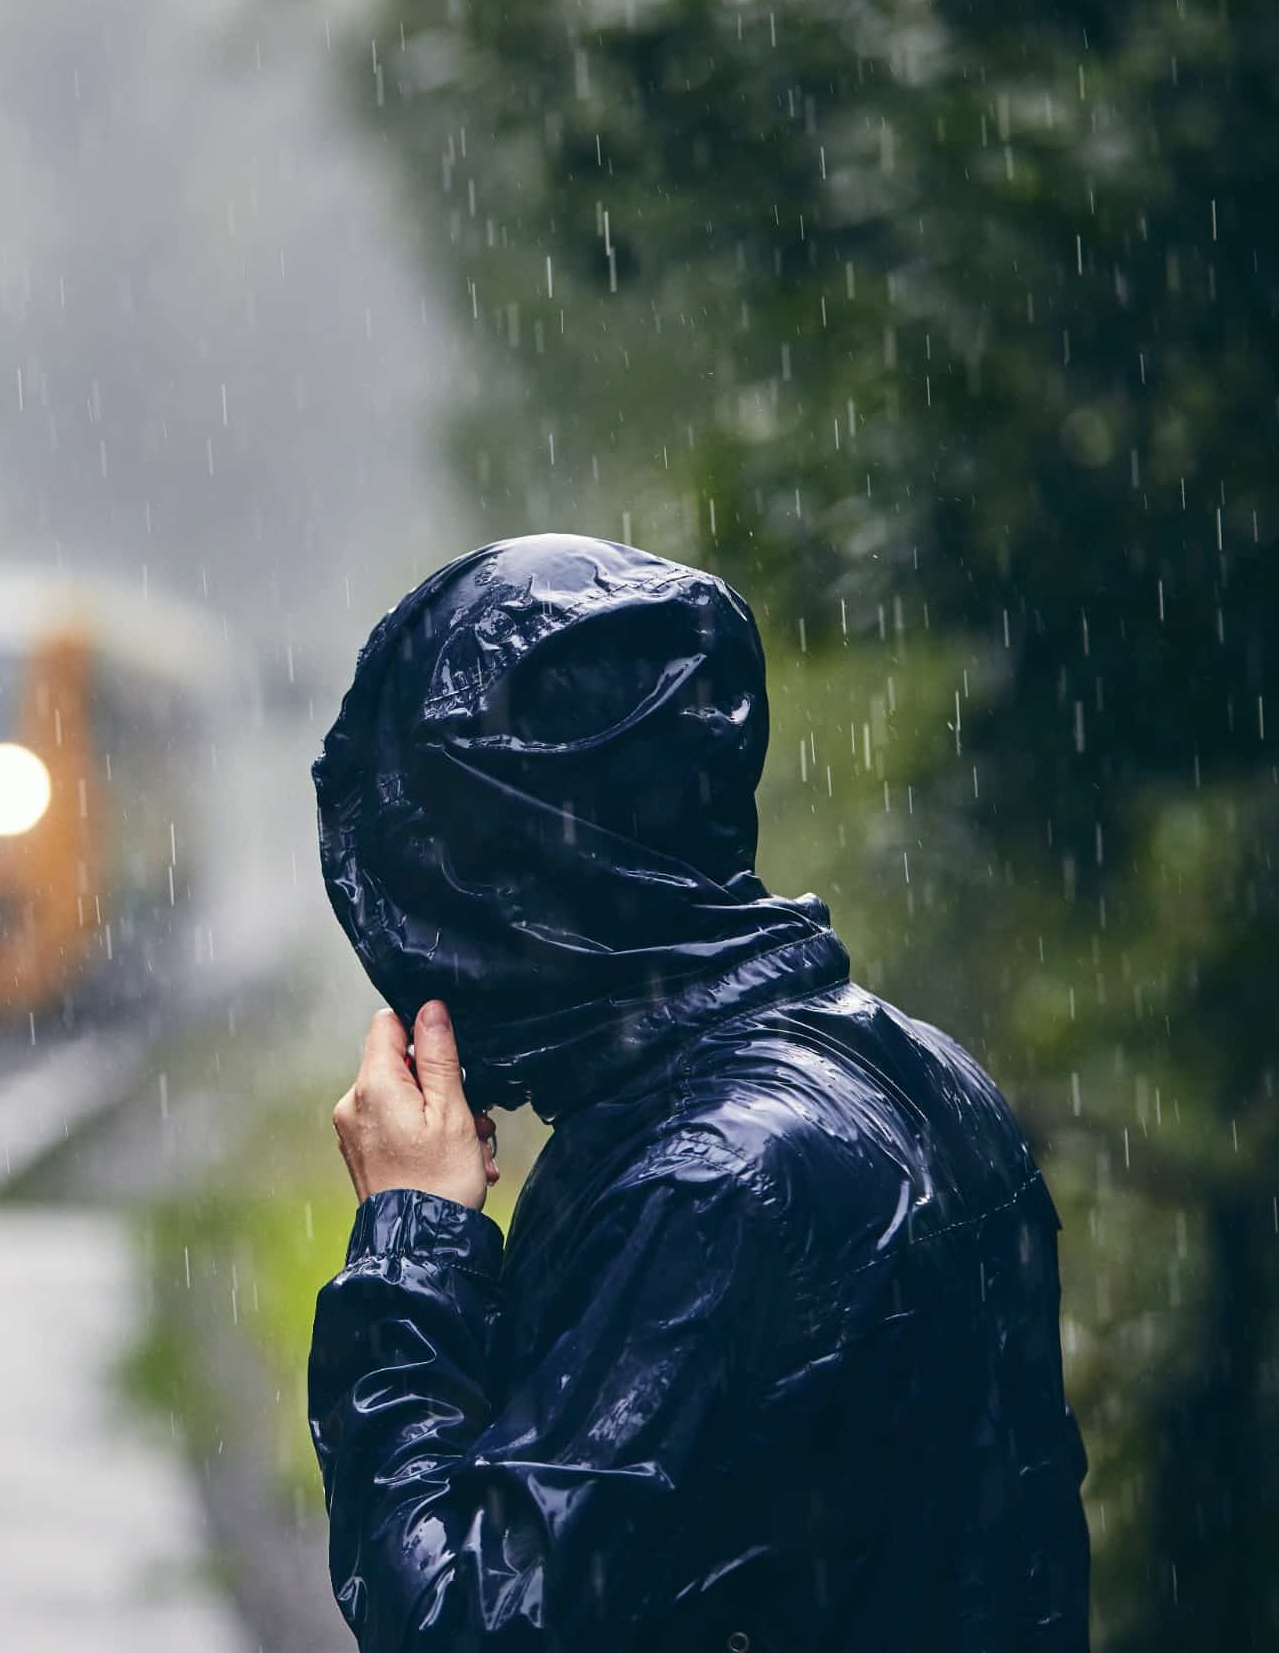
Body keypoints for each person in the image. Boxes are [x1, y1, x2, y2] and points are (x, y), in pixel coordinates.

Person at [307, 534, 1089, 1651]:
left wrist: (411, 1243)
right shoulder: (922, 1072)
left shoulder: (710, 1180)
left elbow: (470, 1622)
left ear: (512, 873)